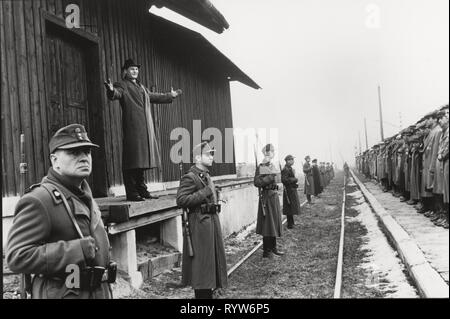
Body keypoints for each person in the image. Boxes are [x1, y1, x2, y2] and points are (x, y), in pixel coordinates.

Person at [6, 124, 115, 299]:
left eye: (87, 152)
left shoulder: (84, 195)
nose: (83, 158)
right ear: (54, 160)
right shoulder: (40, 199)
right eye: (74, 152)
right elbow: (17, 256)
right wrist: (76, 250)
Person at [105, 58, 182, 201]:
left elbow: (154, 96)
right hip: (133, 128)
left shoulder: (141, 87)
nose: (135, 71)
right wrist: (111, 91)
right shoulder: (122, 85)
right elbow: (117, 93)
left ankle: (142, 190)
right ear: (125, 71)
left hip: (145, 129)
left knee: (141, 161)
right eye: (132, 69)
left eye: (136, 69)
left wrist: (169, 96)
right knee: (132, 160)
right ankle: (132, 193)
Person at [176, 142, 227, 299]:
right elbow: (181, 200)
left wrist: (216, 195)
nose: (212, 157)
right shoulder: (190, 177)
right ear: (198, 157)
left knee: (211, 265)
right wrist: (205, 192)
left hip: (211, 223)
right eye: (208, 154)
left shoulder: (207, 175)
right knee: (202, 267)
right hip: (199, 226)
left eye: (212, 153)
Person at [254, 144, 284, 258]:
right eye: (271, 151)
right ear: (266, 153)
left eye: (273, 151)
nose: (272, 153)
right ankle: (267, 251)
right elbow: (257, 182)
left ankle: (273, 248)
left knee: (274, 223)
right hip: (266, 197)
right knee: (267, 225)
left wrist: (278, 184)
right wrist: (270, 178)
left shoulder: (272, 166)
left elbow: (277, 179)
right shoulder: (262, 166)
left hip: (274, 197)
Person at [281, 155, 301, 229]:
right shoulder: (285, 169)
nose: (293, 161)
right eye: (291, 159)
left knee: (291, 207)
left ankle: (291, 222)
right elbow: (284, 180)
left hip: (291, 189)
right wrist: (294, 179)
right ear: (288, 161)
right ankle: (289, 224)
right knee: (289, 207)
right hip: (288, 191)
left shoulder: (290, 168)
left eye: (293, 159)